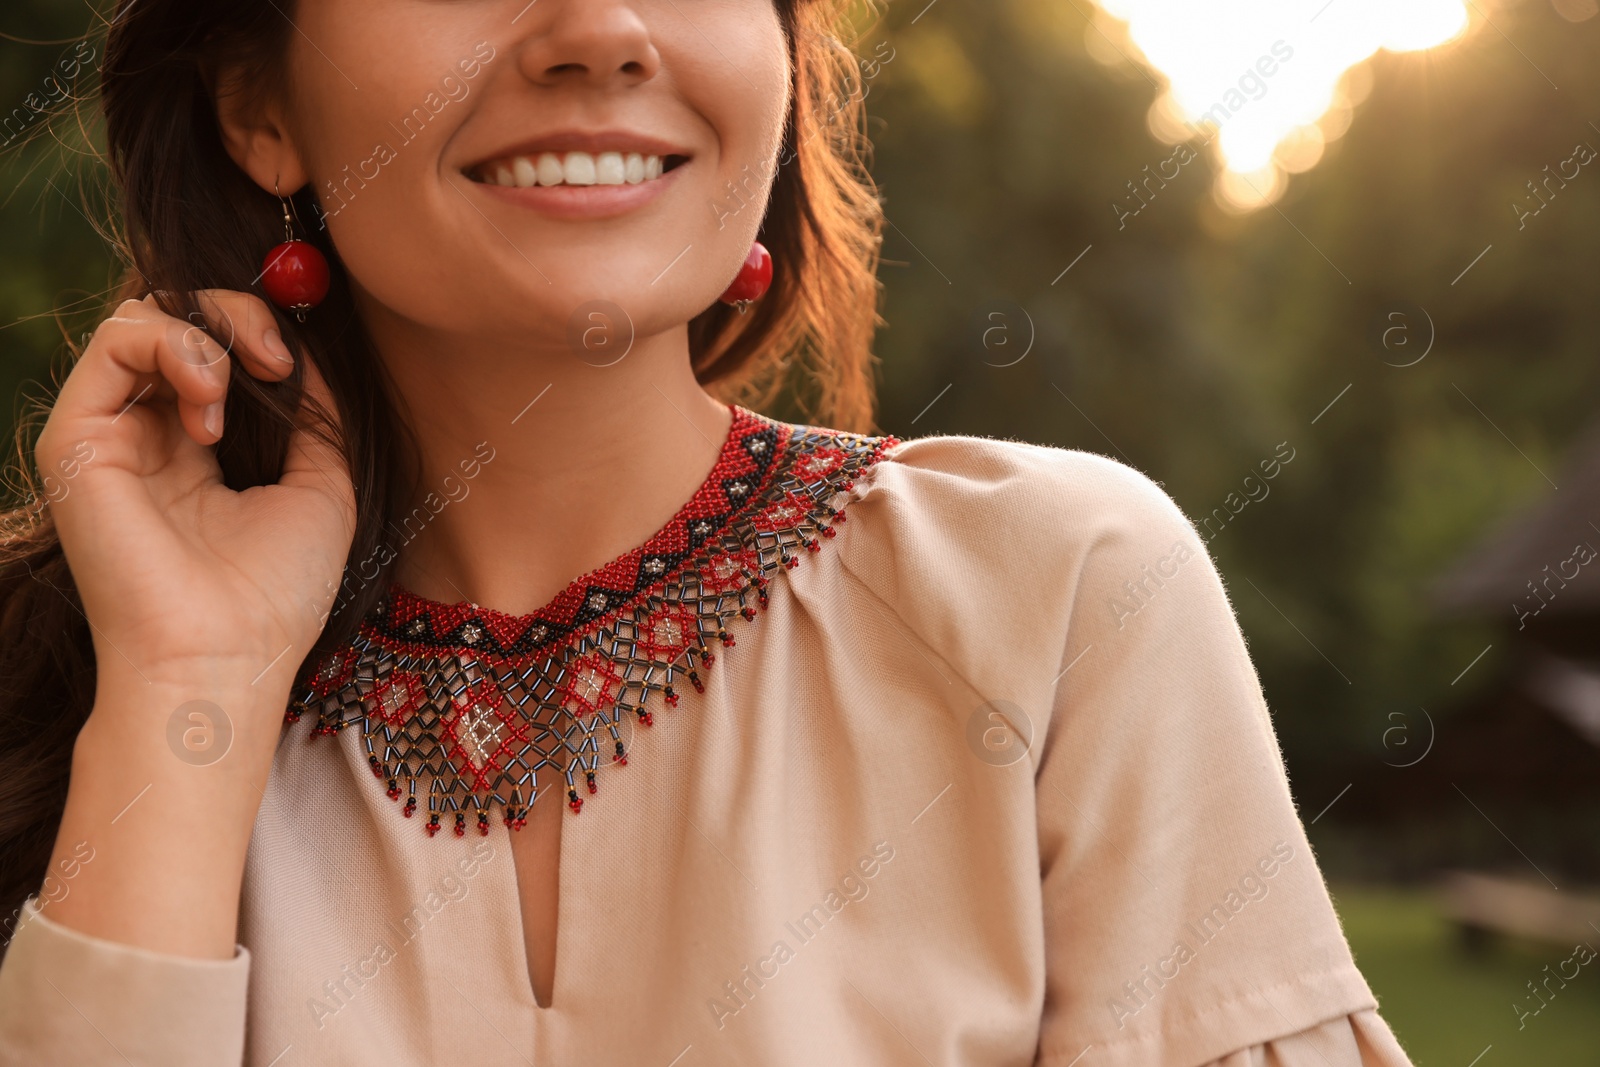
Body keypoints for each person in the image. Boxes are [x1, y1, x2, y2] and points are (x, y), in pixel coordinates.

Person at [0, 1, 1415, 1064]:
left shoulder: (1057, 598)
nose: (603, 32)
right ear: (261, 106)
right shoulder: (84, 684)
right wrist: (188, 692)